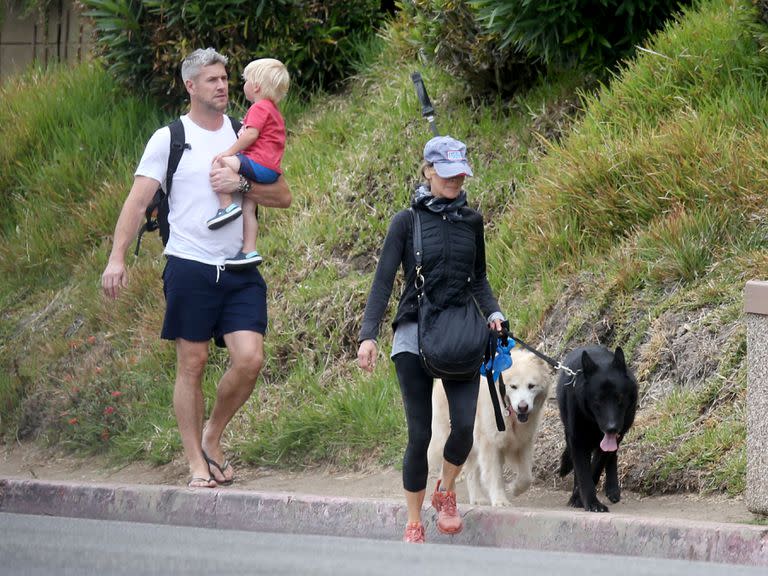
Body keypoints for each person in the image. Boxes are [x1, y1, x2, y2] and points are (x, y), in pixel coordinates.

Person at [101, 48, 292, 489]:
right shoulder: (170, 139)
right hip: (189, 264)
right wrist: (116, 257)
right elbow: (137, 201)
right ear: (190, 86)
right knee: (193, 361)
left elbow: (281, 194)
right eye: (212, 80)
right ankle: (194, 462)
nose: (223, 86)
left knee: (250, 359)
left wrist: (240, 183)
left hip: (240, 268)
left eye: (226, 78)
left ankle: (213, 435)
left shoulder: (245, 130)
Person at [356, 135, 505, 543]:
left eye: (461, 173)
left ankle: (446, 489)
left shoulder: (471, 222)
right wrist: (368, 336)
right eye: (447, 172)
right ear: (428, 170)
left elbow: (479, 279)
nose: (455, 180)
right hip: (413, 334)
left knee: (463, 429)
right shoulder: (406, 222)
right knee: (420, 435)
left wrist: (493, 313)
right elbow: (383, 280)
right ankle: (413, 519)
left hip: (458, 333)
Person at [208, 57, 290, 270]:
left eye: (245, 81)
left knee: (219, 163)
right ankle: (249, 250)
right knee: (249, 207)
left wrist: (229, 152)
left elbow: (251, 134)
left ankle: (225, 207)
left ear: (255, 86)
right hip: (270, 169)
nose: (243, 85)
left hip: (257, 163)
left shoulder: (259, 107)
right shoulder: (273, 110)